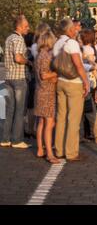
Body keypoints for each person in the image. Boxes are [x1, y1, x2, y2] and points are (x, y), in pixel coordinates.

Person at [54, 18, 89, 161]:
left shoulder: (57, 43)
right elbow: (78, 65)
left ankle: (59, 149)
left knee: (61, 117)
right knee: (73, 118)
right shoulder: (72, 43)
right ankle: (71, 152)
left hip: (60, 81)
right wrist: (86, 82)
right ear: (69, 30)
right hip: (73, 82)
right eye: (74, 28)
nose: (76, 29)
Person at [1, 15, 32, 149]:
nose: (28, 28)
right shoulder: (18, 39)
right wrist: (29, 62)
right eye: (26, 26)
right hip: (18, 78)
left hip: (8, 77)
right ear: (19, 26)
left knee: (10, 110)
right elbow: (18, 58)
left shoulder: (8, 38)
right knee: (19, 111)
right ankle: (17, 139)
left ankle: (5, 138)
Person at [34, 30, 60, 163]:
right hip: (47, 93)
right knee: (49, 123)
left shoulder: (39, 54)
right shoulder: (46, 55)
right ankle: (50, 153)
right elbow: (45, 75)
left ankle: (40, 149)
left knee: (41, 122)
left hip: (40, 91)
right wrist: (56, 74)